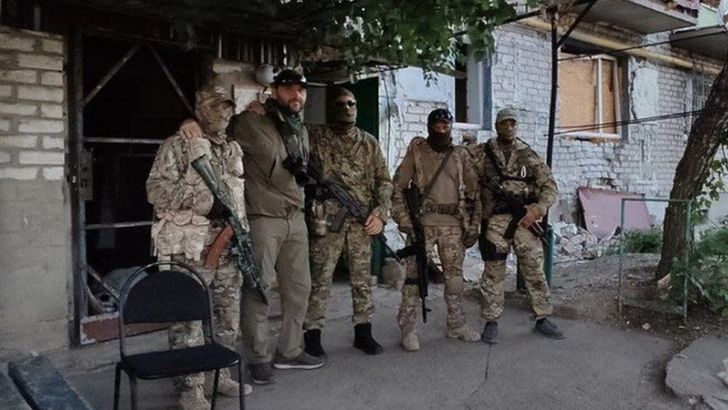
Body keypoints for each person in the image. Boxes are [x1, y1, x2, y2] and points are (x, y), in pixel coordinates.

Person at [180, 69, 324, 385]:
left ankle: (289, 350)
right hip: (263, 218)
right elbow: (216, 132)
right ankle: (258, 357)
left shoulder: (300, 129)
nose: (296, 95)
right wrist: (189, 123)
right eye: (288, 89)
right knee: (258, 290)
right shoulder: (250, 121)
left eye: (301, 90)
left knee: (300, 288)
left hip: (295, 218)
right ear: (274, 91)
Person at [146, 86, 251, 410]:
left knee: (227, 316)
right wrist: (199, 199)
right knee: (187, 320)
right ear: (201, 109)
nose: (224, 113)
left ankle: (219, 373)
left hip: (228, 246)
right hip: (191, 248)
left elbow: (237, 196)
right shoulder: (177, 145)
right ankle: (190, 386)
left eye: (228, 106)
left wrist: (243, 233)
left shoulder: (232, 148)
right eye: (216, 106)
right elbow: (155, 190)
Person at [302, 87, 393, 358]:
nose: (347, 108)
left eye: (352, 103)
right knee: (320, 279)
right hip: (327, 220)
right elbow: (287, 130)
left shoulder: (368, 143)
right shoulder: (315, 136)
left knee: (362, 280)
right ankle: (312, 333)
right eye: (341, 104)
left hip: (359, 221)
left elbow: (384, 181)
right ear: (332, 108)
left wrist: (380, 214)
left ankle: (363, 331)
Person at [391, 108, 482, 352]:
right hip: (422, 225)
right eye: (437, 125)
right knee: (414, 277)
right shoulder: (417, 151)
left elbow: (474, 193)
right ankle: (408, 327)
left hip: (453, 225)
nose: (442, 129)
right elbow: (397, 187)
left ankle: (456, 324)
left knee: (454, 279)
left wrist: (473, 226)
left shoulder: (460, 155)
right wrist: (404, 220)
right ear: (430, 126)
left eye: (445, 125)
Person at [473, 107, 564, 344]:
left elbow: (550, 186)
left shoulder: (528, 154)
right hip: (495, 221)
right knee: (493, 272)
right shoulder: (482, 153)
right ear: (497, 126)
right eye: (504, 123)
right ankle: (491, 321)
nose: (509, 127)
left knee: (534, 268)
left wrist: (538, 209)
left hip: (524, 220)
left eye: (513, 123)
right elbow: (459, 163)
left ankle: (542, 317)